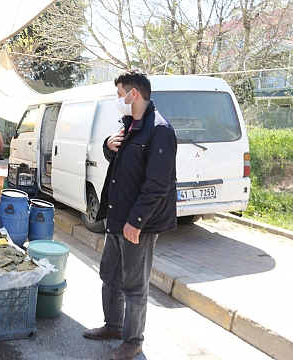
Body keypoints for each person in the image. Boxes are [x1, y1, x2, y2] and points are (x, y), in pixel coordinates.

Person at [83, 70, 177, 360]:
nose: (118, 99)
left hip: (138, 223)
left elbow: (158, 184)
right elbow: (125, 165)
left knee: (134, 285)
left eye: (119, 92)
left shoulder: (159, 129)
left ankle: (133, 340)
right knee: (109, 274)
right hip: (116, 217)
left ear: (133, 93)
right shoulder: (130, 126)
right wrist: (108, 147)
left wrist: (136, 222)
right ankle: (113, 325)